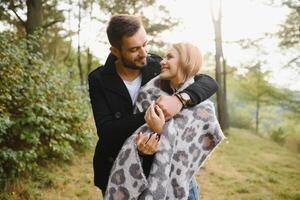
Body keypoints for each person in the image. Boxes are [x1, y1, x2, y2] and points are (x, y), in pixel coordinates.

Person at [88, 14, 218, 198]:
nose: (143, 53)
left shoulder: (157, 65)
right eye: (134, 49)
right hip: (119, 170)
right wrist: (155, 116)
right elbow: (107, 131)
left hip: (172, 170)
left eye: (145, 44)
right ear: (115, 51)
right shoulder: (99, 79)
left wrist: (179, 100)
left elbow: (208, 82)